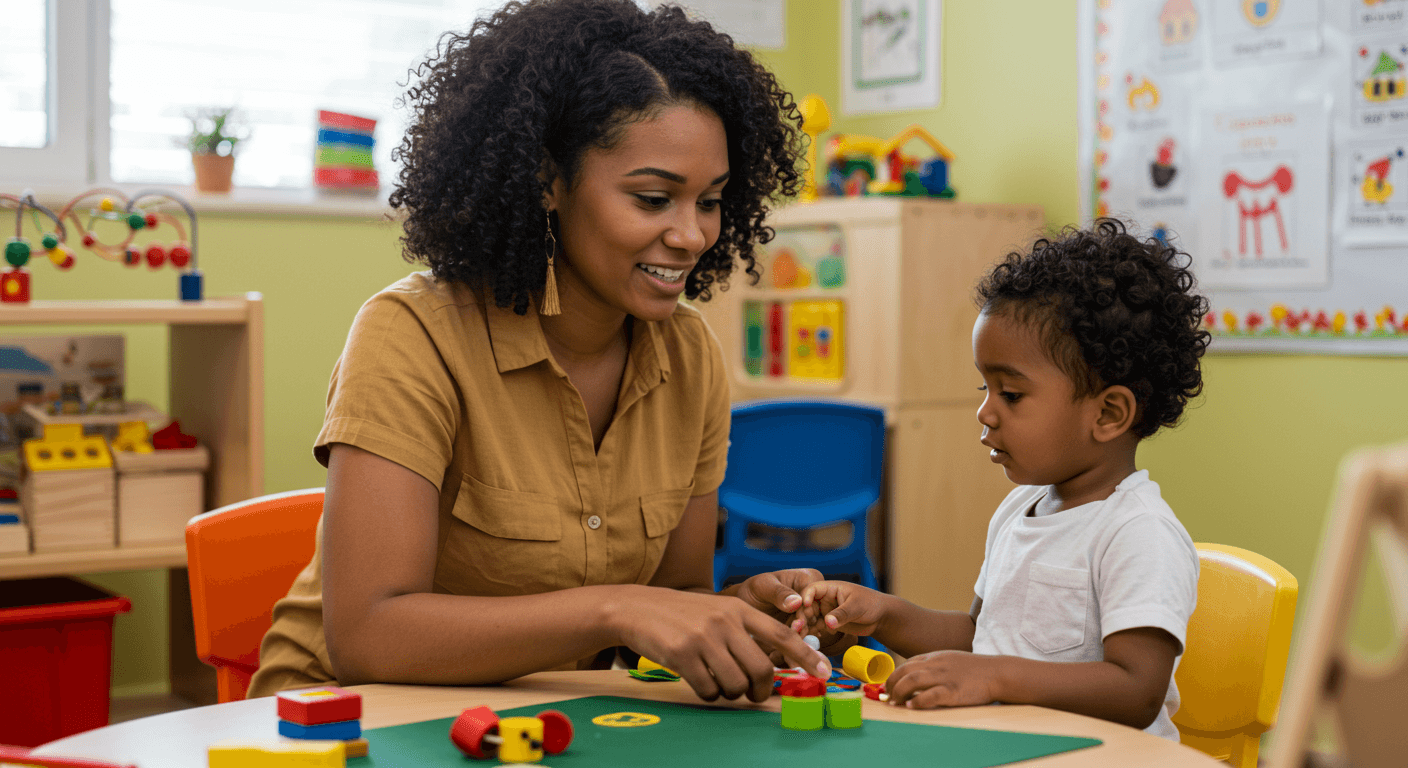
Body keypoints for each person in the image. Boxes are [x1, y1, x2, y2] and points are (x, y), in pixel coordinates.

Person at [248, 0, 832, 702]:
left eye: (710, 201)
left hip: (546, 724)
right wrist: (616, 608)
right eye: (652, 199)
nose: (692, 235)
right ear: (547, 181)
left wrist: (734, 616)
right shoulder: (412, 335)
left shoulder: (690, 357)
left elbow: (672, 595)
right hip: (345, 724)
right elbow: (370, 637)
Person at [796, 219, 1210, 740]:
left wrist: (995, 677)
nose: (986, 413)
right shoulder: (1022, 509)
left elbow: (1135, 691)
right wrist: (883, 614)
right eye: (984, 388)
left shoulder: (1137, 532)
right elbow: (979, 636)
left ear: (1108, 414)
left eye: (1011, 394)